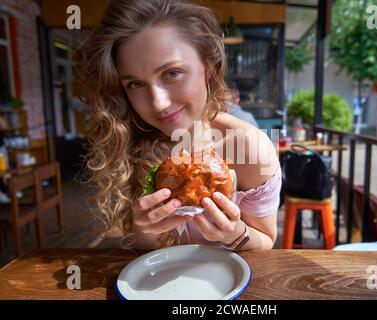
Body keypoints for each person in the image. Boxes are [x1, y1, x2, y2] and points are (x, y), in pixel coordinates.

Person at [75, 0, 281, 251]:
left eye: (171, 73)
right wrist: (145, 230)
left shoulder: (249, 148)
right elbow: (147, 254)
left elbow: (266, 240)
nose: (159, 103)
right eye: (136, 84)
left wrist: (235, 233)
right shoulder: (130, 141)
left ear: (208, 66)